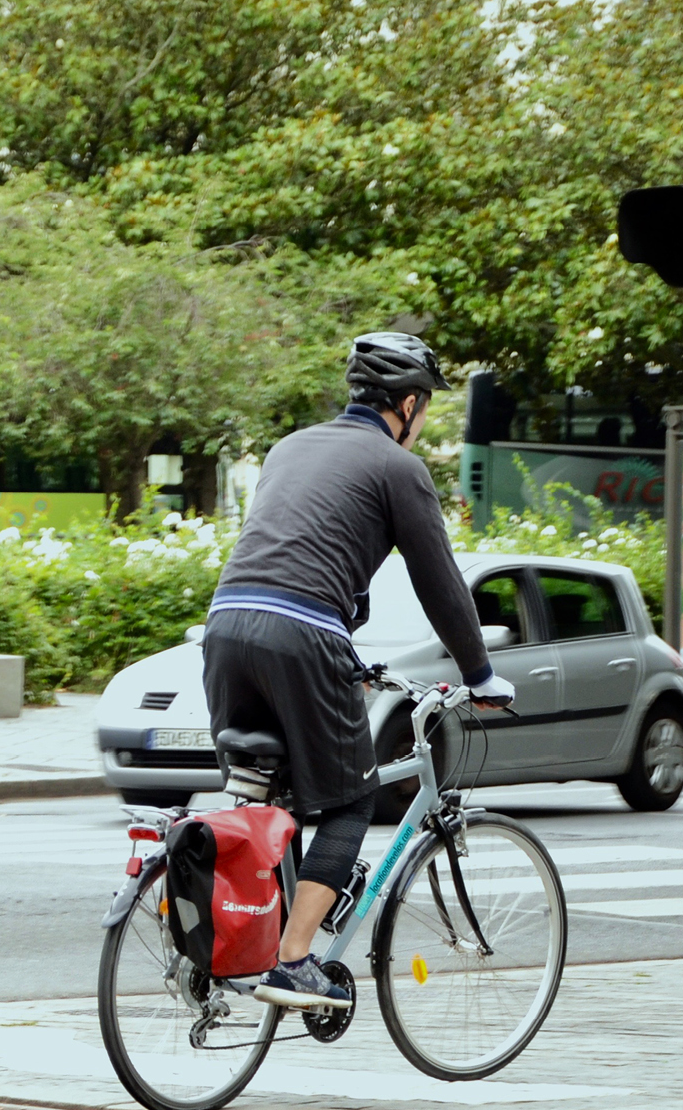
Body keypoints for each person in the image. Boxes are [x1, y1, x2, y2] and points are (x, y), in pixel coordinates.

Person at [202, 332, 513, 1013]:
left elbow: (305, 541)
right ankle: (292, 962)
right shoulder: (397, 469)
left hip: (225, 625)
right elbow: (440, 585)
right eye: (423, 406)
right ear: (406, 404)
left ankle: (230, 946)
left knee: (267, 794)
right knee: (348, 800)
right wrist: (481, 674)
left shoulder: (289, 448)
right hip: (300, 634)